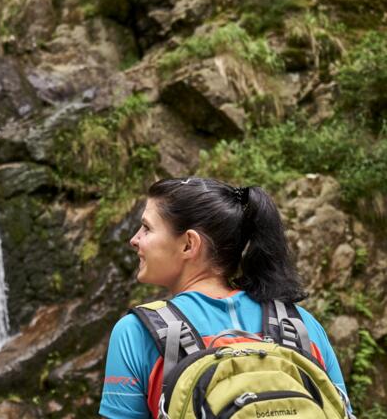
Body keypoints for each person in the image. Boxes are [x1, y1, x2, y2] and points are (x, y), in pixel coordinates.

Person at [99, 177, 349, 418]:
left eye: (147, 228)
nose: (134, 239)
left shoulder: (136, 333)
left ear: (188, 244)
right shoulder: (302, 326)